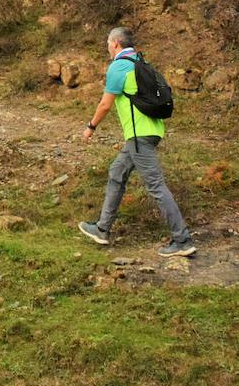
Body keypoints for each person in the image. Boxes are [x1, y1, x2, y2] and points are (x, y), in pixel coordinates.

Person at [78, 26, 196, 258]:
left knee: (156, 186)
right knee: (116, 172)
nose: (107, 49)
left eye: (108, 44)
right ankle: (102, 229)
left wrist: (90, 127)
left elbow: (105, 104)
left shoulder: (119, 67)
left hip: (138, 136)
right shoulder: (140, 63)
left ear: (115, 44)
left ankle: (182, 240)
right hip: (151, 132)